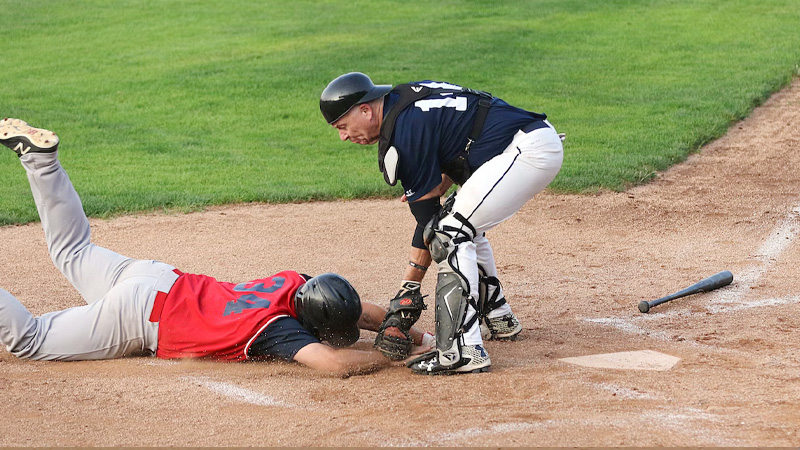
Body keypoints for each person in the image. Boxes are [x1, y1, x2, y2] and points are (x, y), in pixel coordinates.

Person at [0, 118, 433, 377]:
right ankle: (40, 162)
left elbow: (358, 309)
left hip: (156, 277)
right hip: (139, 316)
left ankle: (41, 161)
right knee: (32, 341)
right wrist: (384, 355)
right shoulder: (279, 331)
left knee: (72, 251)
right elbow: (335, 365)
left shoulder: (295, 284)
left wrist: (415, 334)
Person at [320, 73, 564, 375]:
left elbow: (429, 226)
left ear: (366, 110)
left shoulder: (404, 132)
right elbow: (464, 125)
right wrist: (448, 177)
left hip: (525, 152)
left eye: (342, 126)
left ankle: (462, 349)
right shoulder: (405, 102)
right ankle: (499, 317)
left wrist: (406, 293)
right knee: (461, 225)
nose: (343, 136)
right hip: (524, 144)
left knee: (448, 232)